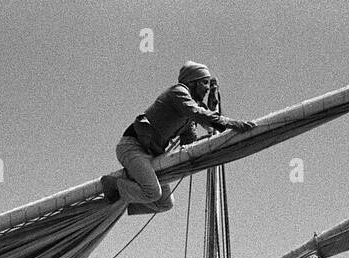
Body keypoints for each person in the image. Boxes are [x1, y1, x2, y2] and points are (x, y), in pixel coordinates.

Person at [102, 61, 256, 215]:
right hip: (132, 147)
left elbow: (189, 145)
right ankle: (114, 185)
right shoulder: (178, 92)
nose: (207, 88)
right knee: (152, 193)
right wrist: (231, 123)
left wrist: (212, 142)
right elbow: (195, 112)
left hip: (152, 155)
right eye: (204, 83)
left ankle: (120, 201)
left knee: (165, 203)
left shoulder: (188, 119)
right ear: (191, 82)